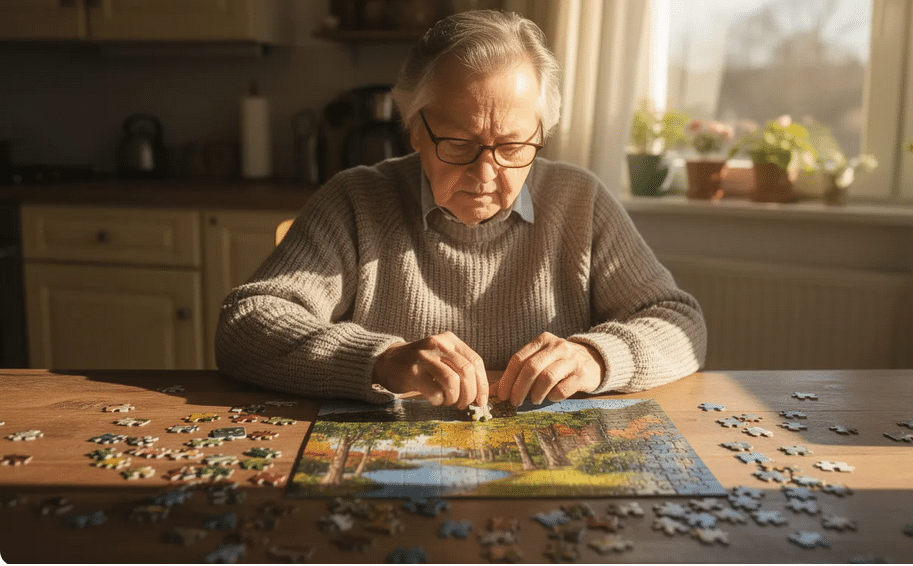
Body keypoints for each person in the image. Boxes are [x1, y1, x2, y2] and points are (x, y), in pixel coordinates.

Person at [215, 10, 706, 410]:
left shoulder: (581, 201)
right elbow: (245, 324)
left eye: (513, 146)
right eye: (457, 143)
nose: (487, 174)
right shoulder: (356, 202)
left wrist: (597, 357)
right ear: (414, 130)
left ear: (541, 132)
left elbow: (680, 324)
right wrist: (379, 359)